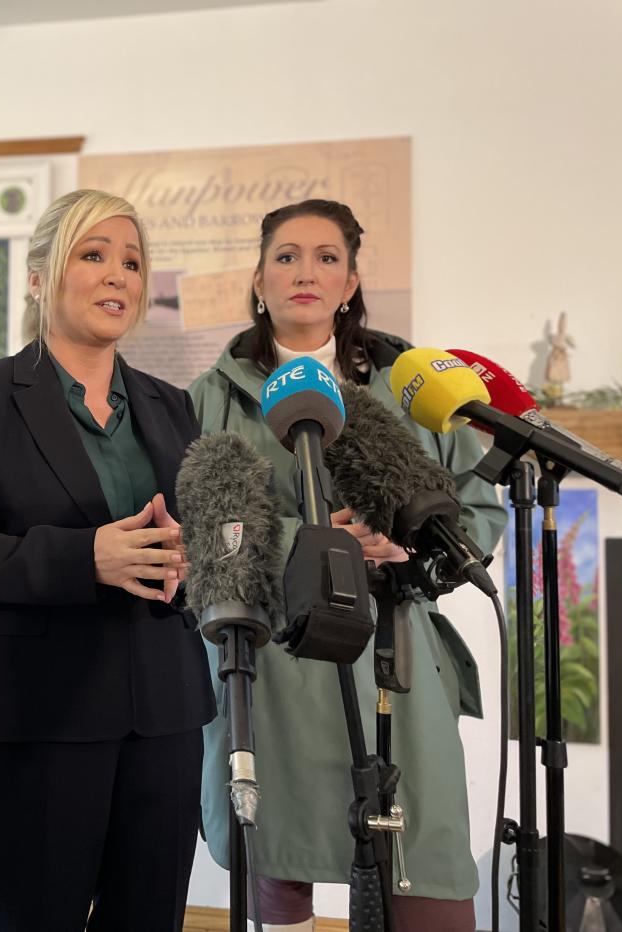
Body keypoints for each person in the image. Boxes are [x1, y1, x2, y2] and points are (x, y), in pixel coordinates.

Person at [188, 199, 507, 932]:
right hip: (273, 669)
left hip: (395, 660)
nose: (307, 273)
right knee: (279, 879)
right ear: (259, 279)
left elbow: (479, 512)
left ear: (352, 279)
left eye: (327, 258)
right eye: (287, 256)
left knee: (430, 881)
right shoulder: (209, 398)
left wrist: (413, 547)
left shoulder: (412, 386)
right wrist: (305, 540)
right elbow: (201, 533)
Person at [0, 189, 215, 932]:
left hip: (165, 714)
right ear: (39, 275)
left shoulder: (172, 405)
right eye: (94, 255)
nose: (118, 275)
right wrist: (85, 557)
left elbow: (200, 539)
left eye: (132, 262)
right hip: (35, 716)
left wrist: (193, 558)